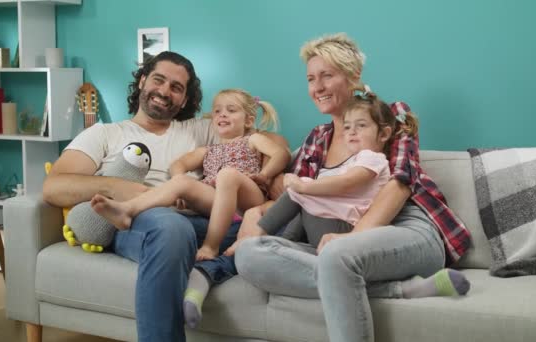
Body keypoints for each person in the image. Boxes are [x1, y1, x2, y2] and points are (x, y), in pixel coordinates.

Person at [232, 33, 472, 342]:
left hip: (405, 231)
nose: (316, 87)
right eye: (310, 79)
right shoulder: (316, 139)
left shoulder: (389, 116)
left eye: (326, 76)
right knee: (250, 254)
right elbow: (302, 199)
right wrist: (259, 219)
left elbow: (400, 185)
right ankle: (398, 290)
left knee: (336, 257)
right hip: (337, 247)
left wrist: (349, 242)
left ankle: (345, 266)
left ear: (353, 76)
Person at [42, 51, 288, 341]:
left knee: (275, 226)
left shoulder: (201, 129)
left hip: (212, 216)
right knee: (172, 228)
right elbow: (53, 187)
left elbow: (272, 143)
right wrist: (117, 188)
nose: (164, 91)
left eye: (176, 87)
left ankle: (206, 269)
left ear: (184, 100)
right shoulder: (106, 133)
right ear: (143, 81)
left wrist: (272, 180)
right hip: (148, 221)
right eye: (158, 80)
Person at [91, 88, 289, 261]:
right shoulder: (207, 150)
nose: (222, 115)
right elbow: (178, 164)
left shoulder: (252, 140)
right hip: (217, 200)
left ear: (249, 120)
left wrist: (265, 174)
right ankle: (127, 210)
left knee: (228, 175)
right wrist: (181, 187)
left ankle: (211, 245)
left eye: (231, 110)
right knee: (183, 181)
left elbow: (281, 154)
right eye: (217, 111)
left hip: (248, 199)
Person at [258, 94, 394, 247]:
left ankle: (259, 233)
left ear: (384, 134)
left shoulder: (373, 158)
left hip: (342, 227)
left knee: (299, 192)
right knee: (303, 196)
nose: (352, 131)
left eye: (361, 125)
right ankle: (285, 242)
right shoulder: (358, 159)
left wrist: (304, 186)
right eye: (347, 126)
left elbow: (347, 182)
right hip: (334, 223)